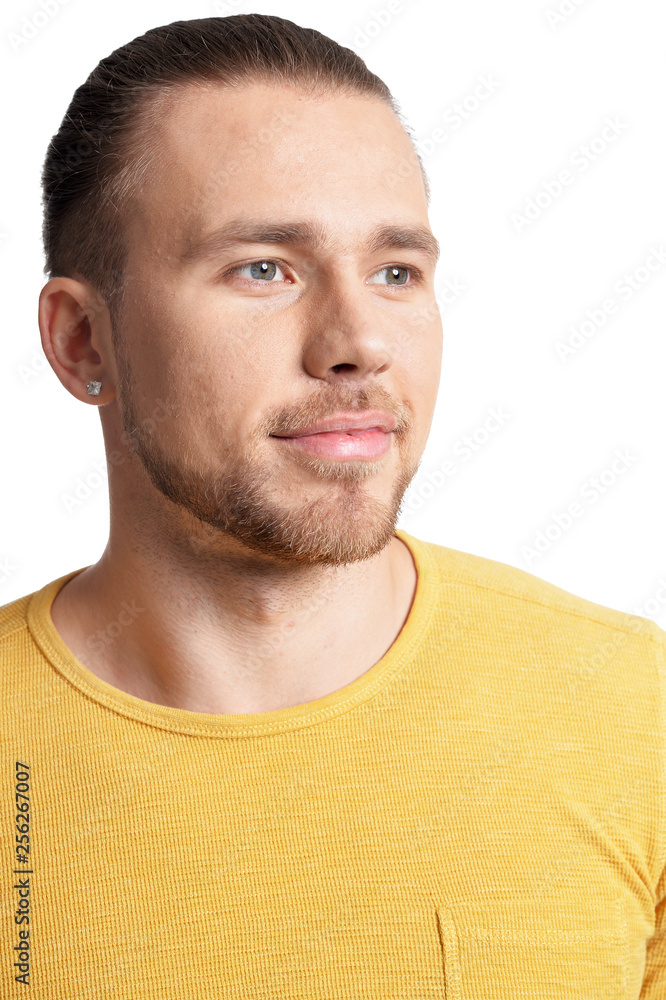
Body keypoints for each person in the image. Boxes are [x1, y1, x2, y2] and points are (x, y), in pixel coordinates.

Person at [1, 13, 664, 996]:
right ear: (82, 341)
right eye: (263, 268)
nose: (359, 341)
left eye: (396, 272)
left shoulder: (636, 714)